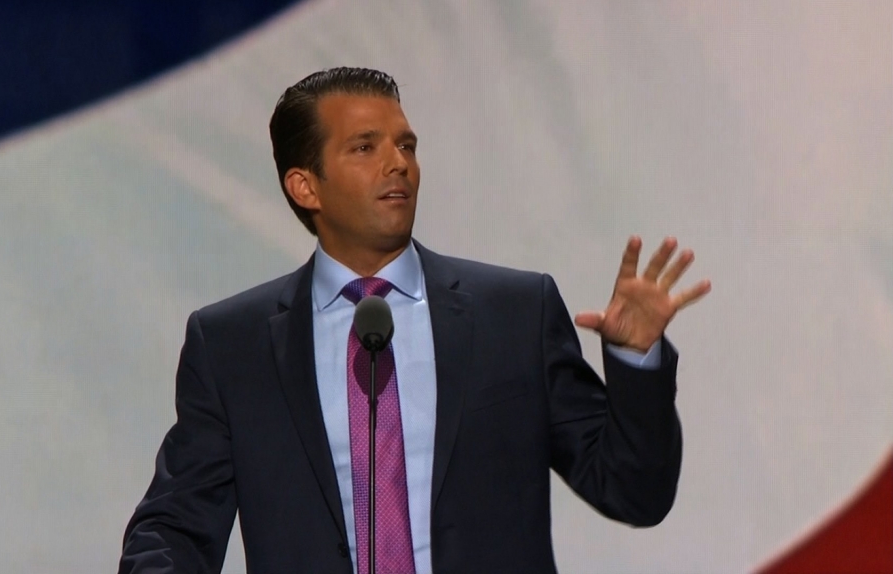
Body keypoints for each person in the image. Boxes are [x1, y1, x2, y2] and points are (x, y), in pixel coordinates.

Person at [119, 67, 711, 574]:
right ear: (305, 186)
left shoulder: (513, 312)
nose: (397, 164)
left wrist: (637, 362)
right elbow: (176, 526)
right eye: (365, 147)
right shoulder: (232, 345)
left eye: (407, 145)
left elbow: (636, 492)